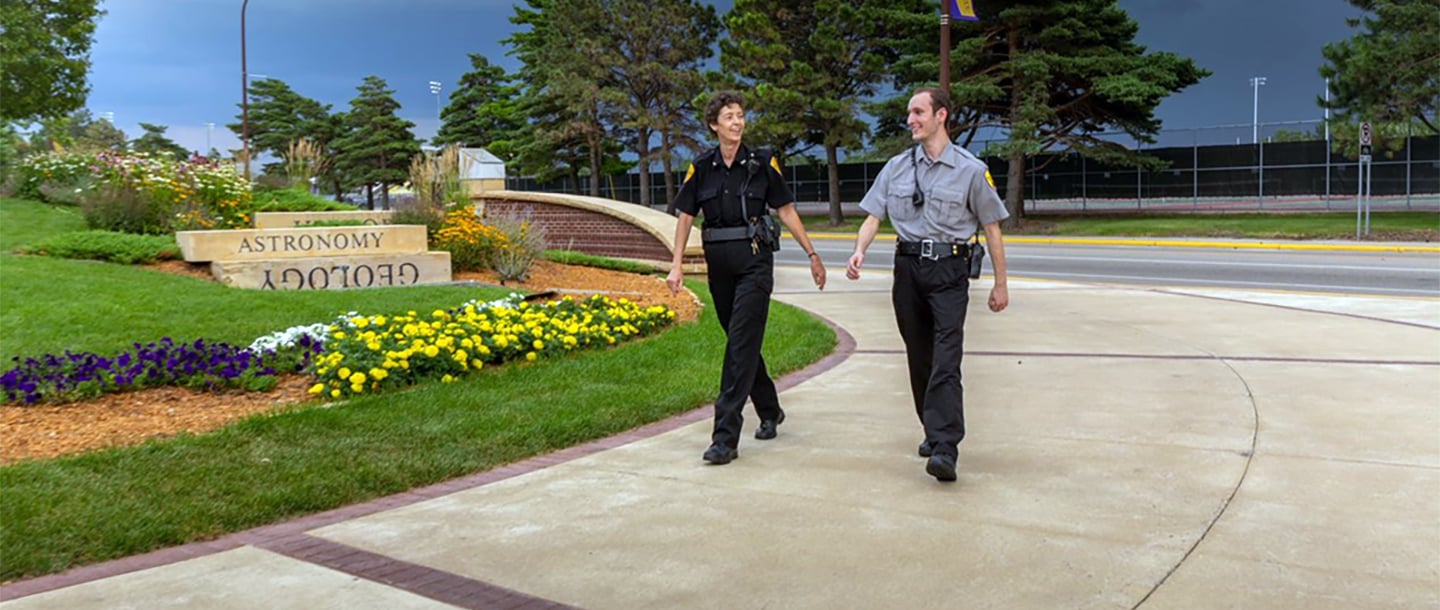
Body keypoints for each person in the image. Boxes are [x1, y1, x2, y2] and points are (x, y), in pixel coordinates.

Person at [845, 87, 1010, 482]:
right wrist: (859, 251)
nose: (910, 120)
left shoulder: (971, 169)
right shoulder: (897, 167)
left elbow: (992, 228)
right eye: (909, 114)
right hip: (908, 270)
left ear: (941, 116)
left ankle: (945, 446)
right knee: (919, 356)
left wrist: (1001, 284)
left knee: (946, 359)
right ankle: (931, 428)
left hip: (950, 272)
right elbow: (873, 216)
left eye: (918, 112)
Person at [666, 90, 827, 465]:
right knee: (742, 342)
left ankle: (724, 438)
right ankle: (770, 409)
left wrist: (813, 254)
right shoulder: (701, 167)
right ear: (713, 125)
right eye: (729, 117)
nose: (736, 122)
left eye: (740, 115)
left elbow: (785, 210)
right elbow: (686, 217)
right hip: (718, 267)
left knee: (739, 345)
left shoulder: (762, 162)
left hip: (755, 263)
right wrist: (675, 264)